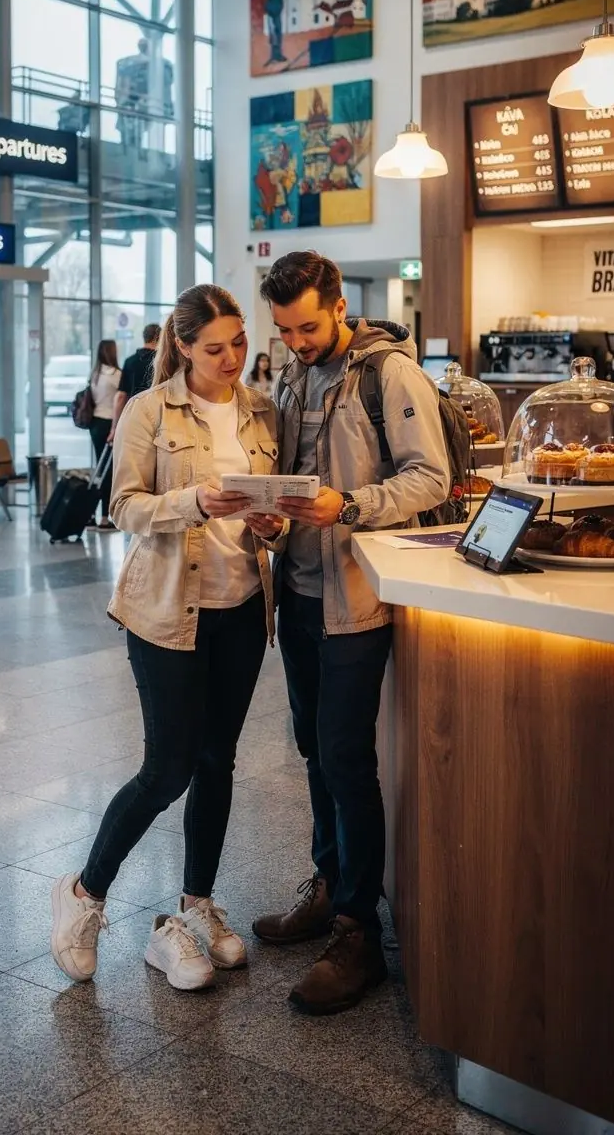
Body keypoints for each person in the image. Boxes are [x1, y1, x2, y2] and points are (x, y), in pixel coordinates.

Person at [50, 284, 284, 991]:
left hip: (242, 607)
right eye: (214, 348)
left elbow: (276, 508)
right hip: (166, 612)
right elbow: (123, 505)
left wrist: (275, 523)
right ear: (182, 346)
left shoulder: (261, 410)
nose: (231, 358)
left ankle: (195, 907)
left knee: (217, 763)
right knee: (167, 769)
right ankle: (84, 894)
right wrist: (195, 501)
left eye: (239, 343)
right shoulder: (148, 410)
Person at [252, 251, 450, 1016]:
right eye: (284, 330)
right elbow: (294, 477)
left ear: (339, 306)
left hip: (356, 600)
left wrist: (352, 506)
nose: (296, 342)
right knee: (312, 749)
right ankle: (328, 882)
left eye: (307, 327)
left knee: (344, 757)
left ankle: (358, 930)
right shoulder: (293, 378)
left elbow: (429, 477)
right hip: (298, 594)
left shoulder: (389, 374)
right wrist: (272, 519)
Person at [88, 340, 121, 530]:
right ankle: (104, 518)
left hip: (95, 423)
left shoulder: (94, 374)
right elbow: (120, 399)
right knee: (109, 472)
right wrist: (115, 428)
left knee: (99, 469)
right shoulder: (116, 375)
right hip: (110, 425)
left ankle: (90, 514)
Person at [109, 322, 161, 440]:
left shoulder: (130, 361)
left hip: (135, 418)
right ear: (160, 338)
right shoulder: (164, 362)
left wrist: (114, 428)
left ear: (144, 337)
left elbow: (121, 396)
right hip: (159, 419)